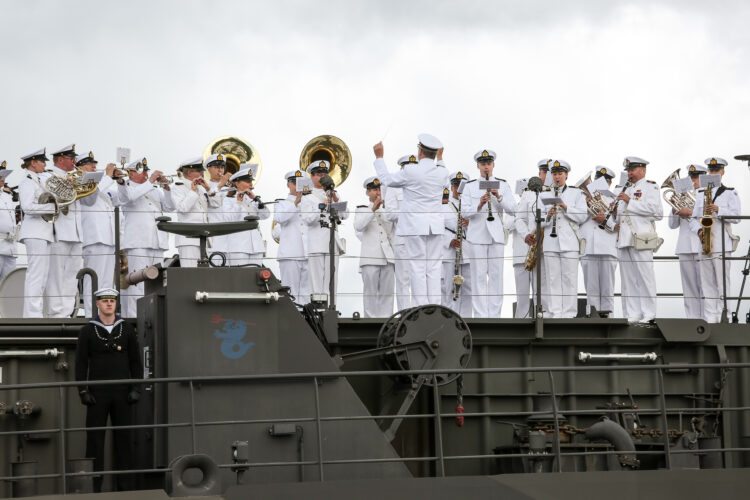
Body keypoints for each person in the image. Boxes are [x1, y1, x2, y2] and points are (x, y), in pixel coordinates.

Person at [75, 288, 142, 492]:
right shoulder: (87, 330)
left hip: (123, 393)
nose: (109, 304)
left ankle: (126, 488)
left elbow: (135, 362)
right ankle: (94, 488)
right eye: (104, 301)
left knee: (124, 440)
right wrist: (83, 391)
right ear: (97, 304)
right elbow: (80, 364)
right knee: (94, 441)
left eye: (112, 301)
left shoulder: (127, 329)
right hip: (97, 394)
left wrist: (136, 387)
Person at [373, 135, 448, 306]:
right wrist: (441, 158)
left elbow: (386, 180)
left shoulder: (410, 171)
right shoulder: (442, 172)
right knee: (434, 267)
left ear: (420, 152)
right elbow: (443, 170)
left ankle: (421, 307)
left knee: (417, 266)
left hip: (415, 226)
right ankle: (434, 305)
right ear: (435, 154)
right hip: (435, 226)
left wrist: (379, 157)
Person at [462, 149, 516, 318]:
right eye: (483, 164)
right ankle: (479, 315)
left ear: (493, 165)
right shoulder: (470, 186)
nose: (486, 167)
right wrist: (479, 204)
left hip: (496, 235)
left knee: (496, 276)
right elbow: (464, 213)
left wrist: (498, 197)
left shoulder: (503, 184)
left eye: (488, 164)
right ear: (478, 166)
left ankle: (494, 315)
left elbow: (513, 209)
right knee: (477, 276)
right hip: (477, 235)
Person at [118, 158, 174, 317]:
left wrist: (167, 188)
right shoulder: (126, 188)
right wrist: (150, 181)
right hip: (138, 242)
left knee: (156, 283)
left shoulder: (154, 190)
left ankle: (154, 317)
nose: (147, 174)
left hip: (156, 242)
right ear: (131, 173)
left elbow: (170, 207)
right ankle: (135, 317)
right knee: (137, 283)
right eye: (143, 171)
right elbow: (130, 198)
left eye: (147, 171)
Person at [690, 157, 741, 323]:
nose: (713, 173)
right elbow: (693, 218)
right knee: (707, 283)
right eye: (710, 170)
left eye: (716, 170)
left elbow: (737, 217)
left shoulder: (730, 192)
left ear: (722, 172)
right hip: (704, 242)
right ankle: (710, 317)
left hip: (720, 243)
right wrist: (698, 230)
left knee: (722, 283)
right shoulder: (700, 193)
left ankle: (725, 316)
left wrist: (719, 209)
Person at [615, 156, 663, 323]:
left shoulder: (651, 187)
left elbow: (656, 212)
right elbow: (620, 217)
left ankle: (649, 313)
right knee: (628, 280)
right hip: (625, 239)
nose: (630, 173)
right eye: (628, 170)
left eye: (633, 169)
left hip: (641, 238)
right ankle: (633, 314)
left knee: (645, 277)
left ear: (643, 170)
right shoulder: (626, 188)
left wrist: (630, 201)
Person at [77, 152, 125, 316]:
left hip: (108, 239)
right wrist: (106, 177)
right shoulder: (80, 182)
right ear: (81, 167)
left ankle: (104, 316)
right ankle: (92, 316)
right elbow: (89, 197)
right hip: (93, 238)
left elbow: (124, 199)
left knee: (106, 283)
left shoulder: (101, 185)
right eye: (89, 164)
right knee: (93, 280)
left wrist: (121, 182)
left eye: (94, 164)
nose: (93, 167)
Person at [540, 160, 587, 318]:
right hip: (550, 242)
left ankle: (568, 313)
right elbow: (537, 218)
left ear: (566, 175)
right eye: (554, 174)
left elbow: (582, 216)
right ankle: (555, 312)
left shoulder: (576, 193)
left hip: (569, 242)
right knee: (552, 279)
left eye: (560, 173)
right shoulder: (544, 193)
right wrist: (547, 216)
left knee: (569, 279)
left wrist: (566, 208)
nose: (557, 176)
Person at [300, 160, 349, 300]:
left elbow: (345, 215)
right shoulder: (307, 197)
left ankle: (331, 313)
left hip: (332, 242)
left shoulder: (334, 194)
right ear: (312, 177)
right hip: (316, 244)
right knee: (316, 284)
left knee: (332, 283)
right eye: (318, 174)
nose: (322, 177)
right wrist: (322, 205)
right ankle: (317, 314)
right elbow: (308, 219)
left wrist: (334, 197)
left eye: (324, 174)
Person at [18, 147, 57, 318]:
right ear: (33, 163)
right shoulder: (27, 181)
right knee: (36, 275)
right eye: (42, 161)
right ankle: (32, 315)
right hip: (34, 232)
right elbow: (27, 207)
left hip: (44, 232)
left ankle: (36, 313)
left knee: (42, 276)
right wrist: (51, 207)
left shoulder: (38, 180)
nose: (44, 164)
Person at [47, 144, 84, 317]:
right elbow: (52, 198)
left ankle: (67, 312)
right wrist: (67, 185)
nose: (75, 162)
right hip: (59, 231)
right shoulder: (49, 175)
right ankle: (56, 314)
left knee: (72, 275)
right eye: (71, 159)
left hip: (76, 232)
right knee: (57, 275)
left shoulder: (74, 176)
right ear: (60, 159)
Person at [580, 166, 619, 317]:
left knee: (607, 288)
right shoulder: (583, 198)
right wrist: (586, 204)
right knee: (591, 289)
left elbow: (619, 224)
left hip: (608, 247)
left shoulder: (615, 199)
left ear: (609, 183)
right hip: (589, 247)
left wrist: (606, 220)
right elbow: (577, 220)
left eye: (603, 181)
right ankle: (593, 319)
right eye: (597, 181)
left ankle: (609, 318)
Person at [667, 164, 705, 319]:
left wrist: (689, 211)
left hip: (702, 244)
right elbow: (672, 225)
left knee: (705, 286)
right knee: (689, 288)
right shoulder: (683, 195)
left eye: (696, 177)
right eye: (691, 178)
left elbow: (710, 219)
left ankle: (707, 319)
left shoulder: (705, 195)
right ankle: (692, 318)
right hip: (684, 246)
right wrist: (673, 207)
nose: (693, 181)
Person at [354, 176, 395, 317]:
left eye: (379, 189)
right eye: (374, 190)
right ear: (367, 192)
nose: (377, 192)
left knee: (387, 294)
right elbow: (358, 228)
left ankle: (386, 322)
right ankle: (370, 321)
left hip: (388, 257)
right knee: (370, 293)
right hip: (370, 257)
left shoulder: (389, 210)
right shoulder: (362, 209)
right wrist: (373, 210)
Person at [517, 159, 553, 317]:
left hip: (554, 242)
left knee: (552, 281)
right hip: (536, 242)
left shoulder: (558, 192)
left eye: (548, 172)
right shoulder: (528, 194)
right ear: (539, 174)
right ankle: (539, 314)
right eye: (543, 172)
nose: (546, 175)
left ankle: (551, 314)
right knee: (537, 281)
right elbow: (520, 218)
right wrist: (525, 234)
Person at [171, 156, 221, 267]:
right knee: (191, 274)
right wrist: (193, 191)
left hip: (204, 238)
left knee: (204, 276)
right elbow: (183, 208)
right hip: (188, 239)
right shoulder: (178, 188)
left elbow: (217, 203)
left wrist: (208, 188)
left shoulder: (202, 188)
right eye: (199, 171)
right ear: (189, 172)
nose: (202, 174)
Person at [383, 154, 416, 311]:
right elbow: (389, 214)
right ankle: (405, 313)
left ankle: (420, 311)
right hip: (402, 237)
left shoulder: (420, 186)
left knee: (419, 278)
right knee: (403, 279)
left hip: (420, 237)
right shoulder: (393, 187)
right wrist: (409, 212)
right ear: (402, 169)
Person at [273, 169, 310, 303]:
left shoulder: (310, 202)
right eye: (295, 183)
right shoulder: (281, 203)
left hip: (308, 253)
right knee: (290, 292)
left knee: (307, 293)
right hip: (290, 254)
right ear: (288, 184)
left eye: (301, 183)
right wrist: (295, 203)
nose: (297, 186)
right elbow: (280, 218)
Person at [224, 164, 270, 266]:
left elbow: (266, 215)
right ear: (237, 183)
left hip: (256, 246)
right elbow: (229, 219)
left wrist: (256, 200)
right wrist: (238, 203)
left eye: (251, 181)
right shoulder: (228, 200)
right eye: (248, 181)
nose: (251, 184)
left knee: (255, 277)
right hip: (239, 246)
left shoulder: (251, 199)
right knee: (240, 277)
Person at [442, 171, 472, 317]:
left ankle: (466, 320)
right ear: (452, 186)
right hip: (449, 253)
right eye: (455, 185)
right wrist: (449, 240)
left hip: (468, 252)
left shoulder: (472, 206)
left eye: (462, 186)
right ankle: (447, 319)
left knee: (468, 288)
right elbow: (437, 229)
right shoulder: (444, 206)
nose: (458, 188)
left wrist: (470, 223)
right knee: (448, 288)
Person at [204, 156, 232, 259]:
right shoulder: (205, 185)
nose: (220, 170)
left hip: (231, 234)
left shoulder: (230, 188)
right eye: (216, 167)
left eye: (222, 167)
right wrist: (221, 184)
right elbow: (214, 203)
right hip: (214, 233)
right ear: (209, 168)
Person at [0, 163, 17, 283]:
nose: (3, 180)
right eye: (1, 177)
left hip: (10, 245)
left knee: (8, 282)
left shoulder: (6, 197)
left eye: (3, 177)